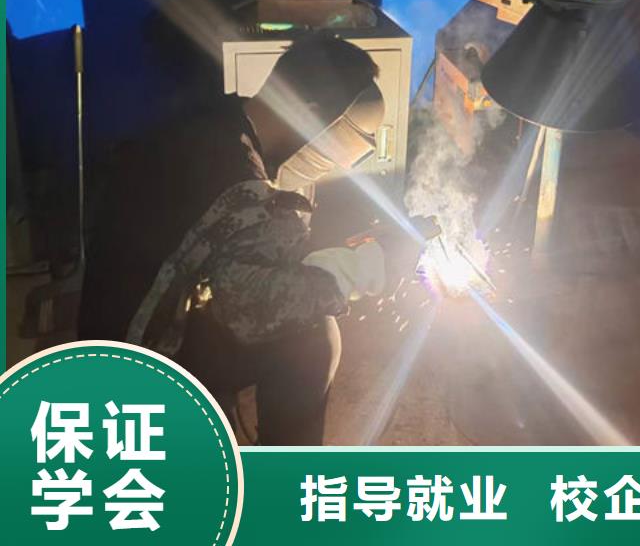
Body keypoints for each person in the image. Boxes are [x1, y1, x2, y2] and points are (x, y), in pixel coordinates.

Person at [78, 31, 426, 444]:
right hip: (136, 362)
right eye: (350, 142)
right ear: (308, 113)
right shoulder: (238, 180)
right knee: (313, 339)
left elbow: (240, 246)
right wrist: (364, 267)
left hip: (129, 317)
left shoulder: (219, 122)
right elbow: (255, 311)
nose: (345, 160)